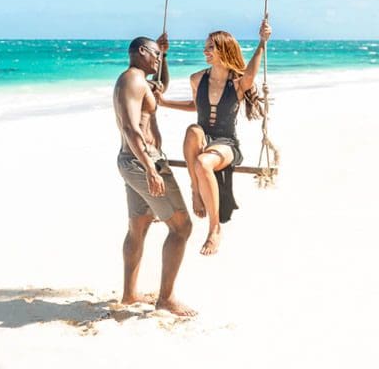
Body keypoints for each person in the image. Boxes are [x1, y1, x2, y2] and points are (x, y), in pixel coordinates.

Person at [157, 17, 271, 256]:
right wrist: (165, 101)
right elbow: (195, 105)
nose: (205, 50)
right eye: (206, 46)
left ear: (223, 50)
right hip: (202, 138)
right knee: (193, 130)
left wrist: (262, 43)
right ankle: (195, 190)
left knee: (202, 162)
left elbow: (251, 72)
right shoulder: (197, 78)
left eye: (211, 47)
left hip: (227, 144)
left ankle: (214, 228)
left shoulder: (238, 82)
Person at [113, 34, 195, 317]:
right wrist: (150, 169)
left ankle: (129, 294)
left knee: (139, 226)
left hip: (134, 161)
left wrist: (166, 56)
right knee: (182, 227)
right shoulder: (131, 80)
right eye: (155, 54)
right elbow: (129, 127)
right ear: (139, 51)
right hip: (143, 163)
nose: (158, 59)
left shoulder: (140, 82)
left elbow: (160, 88)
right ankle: (166, 298)